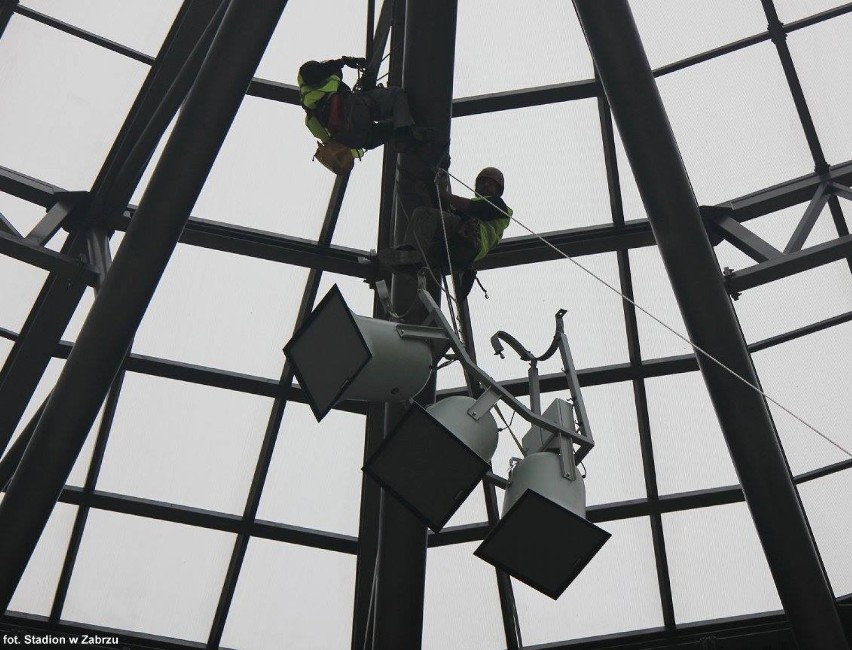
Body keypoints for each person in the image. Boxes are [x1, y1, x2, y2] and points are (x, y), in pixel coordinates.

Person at [377, 167, 512, 297]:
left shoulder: (498, 206)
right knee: (423, 256)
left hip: (470, 237)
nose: (486, 185)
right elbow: (440, 218)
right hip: (460, 251)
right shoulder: (469, 213)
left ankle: (411, 254)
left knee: (422, 214)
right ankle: (410, 265)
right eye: (482, 181)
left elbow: (473, 207)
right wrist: (425, 195)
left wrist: (444, 194)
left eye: (491, 183)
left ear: (498, 191)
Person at [297, 56, 426, 153]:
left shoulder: (311, 119)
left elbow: (330, 142)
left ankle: (404, 136)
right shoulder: (325, 81)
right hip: (362, 112)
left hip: (357, 139)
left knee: (394, 126)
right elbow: (325, 71)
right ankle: (406, 133)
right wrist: (345, 61)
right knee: (396, 95)